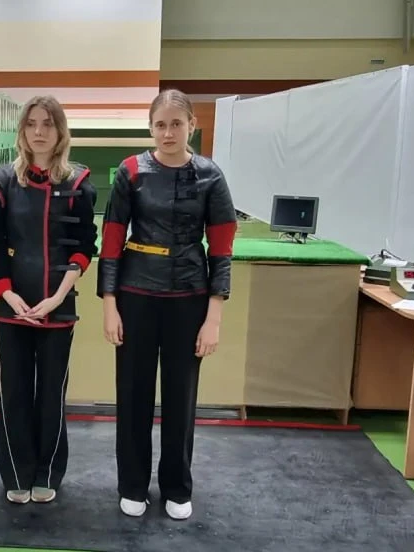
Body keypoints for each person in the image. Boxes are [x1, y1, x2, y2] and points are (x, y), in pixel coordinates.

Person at [98, 88, 237, 520]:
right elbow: (112, 241)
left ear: (192, 125)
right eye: (160, 125)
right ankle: (133, 485)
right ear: (151, 129)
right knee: (133, 395)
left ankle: (177, 486)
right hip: (135, 297)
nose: (168, 132)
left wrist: (213, 317)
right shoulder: (130, 172)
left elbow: (222, 250)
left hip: (189, 300)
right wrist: (109, 303)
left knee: (181, 398)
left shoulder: (211, 177)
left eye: (176, 123)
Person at [0, 95, 98, 504]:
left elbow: (84, 247)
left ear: (60, 130)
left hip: (58, 306)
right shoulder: (2, 182)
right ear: (22, 130)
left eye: (47, 124)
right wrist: (8, 294)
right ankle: (16, 473)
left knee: (51, 393)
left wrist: (58, 297)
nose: (39, 131)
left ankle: (48, 472)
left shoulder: (79, 183)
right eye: (31, 123)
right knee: (14, 391)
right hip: (11, 306)